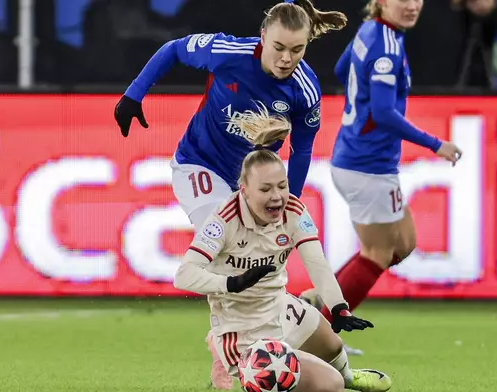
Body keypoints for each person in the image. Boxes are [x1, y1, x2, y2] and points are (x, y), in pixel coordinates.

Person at [113, 1, 348, 388]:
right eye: (278, 47)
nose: (287, 58)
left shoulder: (304, 89)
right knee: (222, 245)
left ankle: (291, 312)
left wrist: (291, 202)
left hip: (253, 186)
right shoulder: (227, 53)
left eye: (297, 49)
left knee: (261, 258)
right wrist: (134, 94)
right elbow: (174, 48)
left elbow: (303, 150)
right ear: (262, 38)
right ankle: (226, 350)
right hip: (199, 166)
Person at [174, 106, 393, 392]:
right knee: (330, 385)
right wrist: (232, 283)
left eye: (282, 185)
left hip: (280, 306)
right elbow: (183, 275)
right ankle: (229, 357)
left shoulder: (292, 210)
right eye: (266, 189)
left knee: (333, 345)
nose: (277, 196)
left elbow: (317, 262)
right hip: (242, 330)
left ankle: (350, 376)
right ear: (244, 190)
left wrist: (339, 307)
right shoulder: (223, 221)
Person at [300, 0, 463, 351]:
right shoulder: (386, 46)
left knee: (402, 245)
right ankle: (320, 338)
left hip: (366, 162)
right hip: (366, 166)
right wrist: (436, 145)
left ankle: (320, 302)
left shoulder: (372, 30)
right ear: (382, 2)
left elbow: (344, 69)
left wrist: (357, 110)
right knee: (377, 253)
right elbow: (384, 113)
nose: (412, 5)